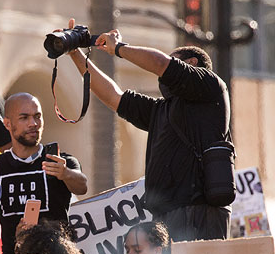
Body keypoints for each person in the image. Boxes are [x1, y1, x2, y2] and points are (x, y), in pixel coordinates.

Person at [66, 18, 233, 242]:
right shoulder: (161, 110)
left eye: (176, 63)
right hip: (165, 217)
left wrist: (119, 49)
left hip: (197, 212)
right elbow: (113, 96)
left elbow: (160, 63)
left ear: (191, 64)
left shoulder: (211, 87)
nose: (161, 79)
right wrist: (74, 53)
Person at [0, 92, 88, 254]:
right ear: (7, 124)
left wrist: (65, 174)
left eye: (37, 116)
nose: (33, 124)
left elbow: (82, 186)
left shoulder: (59, 160)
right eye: (24, 118)